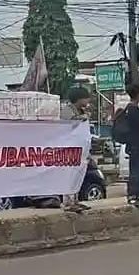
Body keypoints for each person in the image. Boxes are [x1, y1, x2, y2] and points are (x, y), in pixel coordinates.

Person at [61, 86, 93, 214]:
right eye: (86, 98)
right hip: (69, 149)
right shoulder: (67, 111)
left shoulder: (80, 111)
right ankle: (68, 202)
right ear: (79, 99)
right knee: (69, 175)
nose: (88, 101)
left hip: (80, 150)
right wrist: (82, 118)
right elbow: (68, 125)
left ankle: (75, 200)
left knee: (77, 175)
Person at [121, 83, 139, 206]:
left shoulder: (129, 108)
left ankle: (135, 194)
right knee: (136, 170)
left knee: (135, 169)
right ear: (138, 94)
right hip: (136, 144)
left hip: (132, 143)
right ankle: (134, 194)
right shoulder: (133, 109)